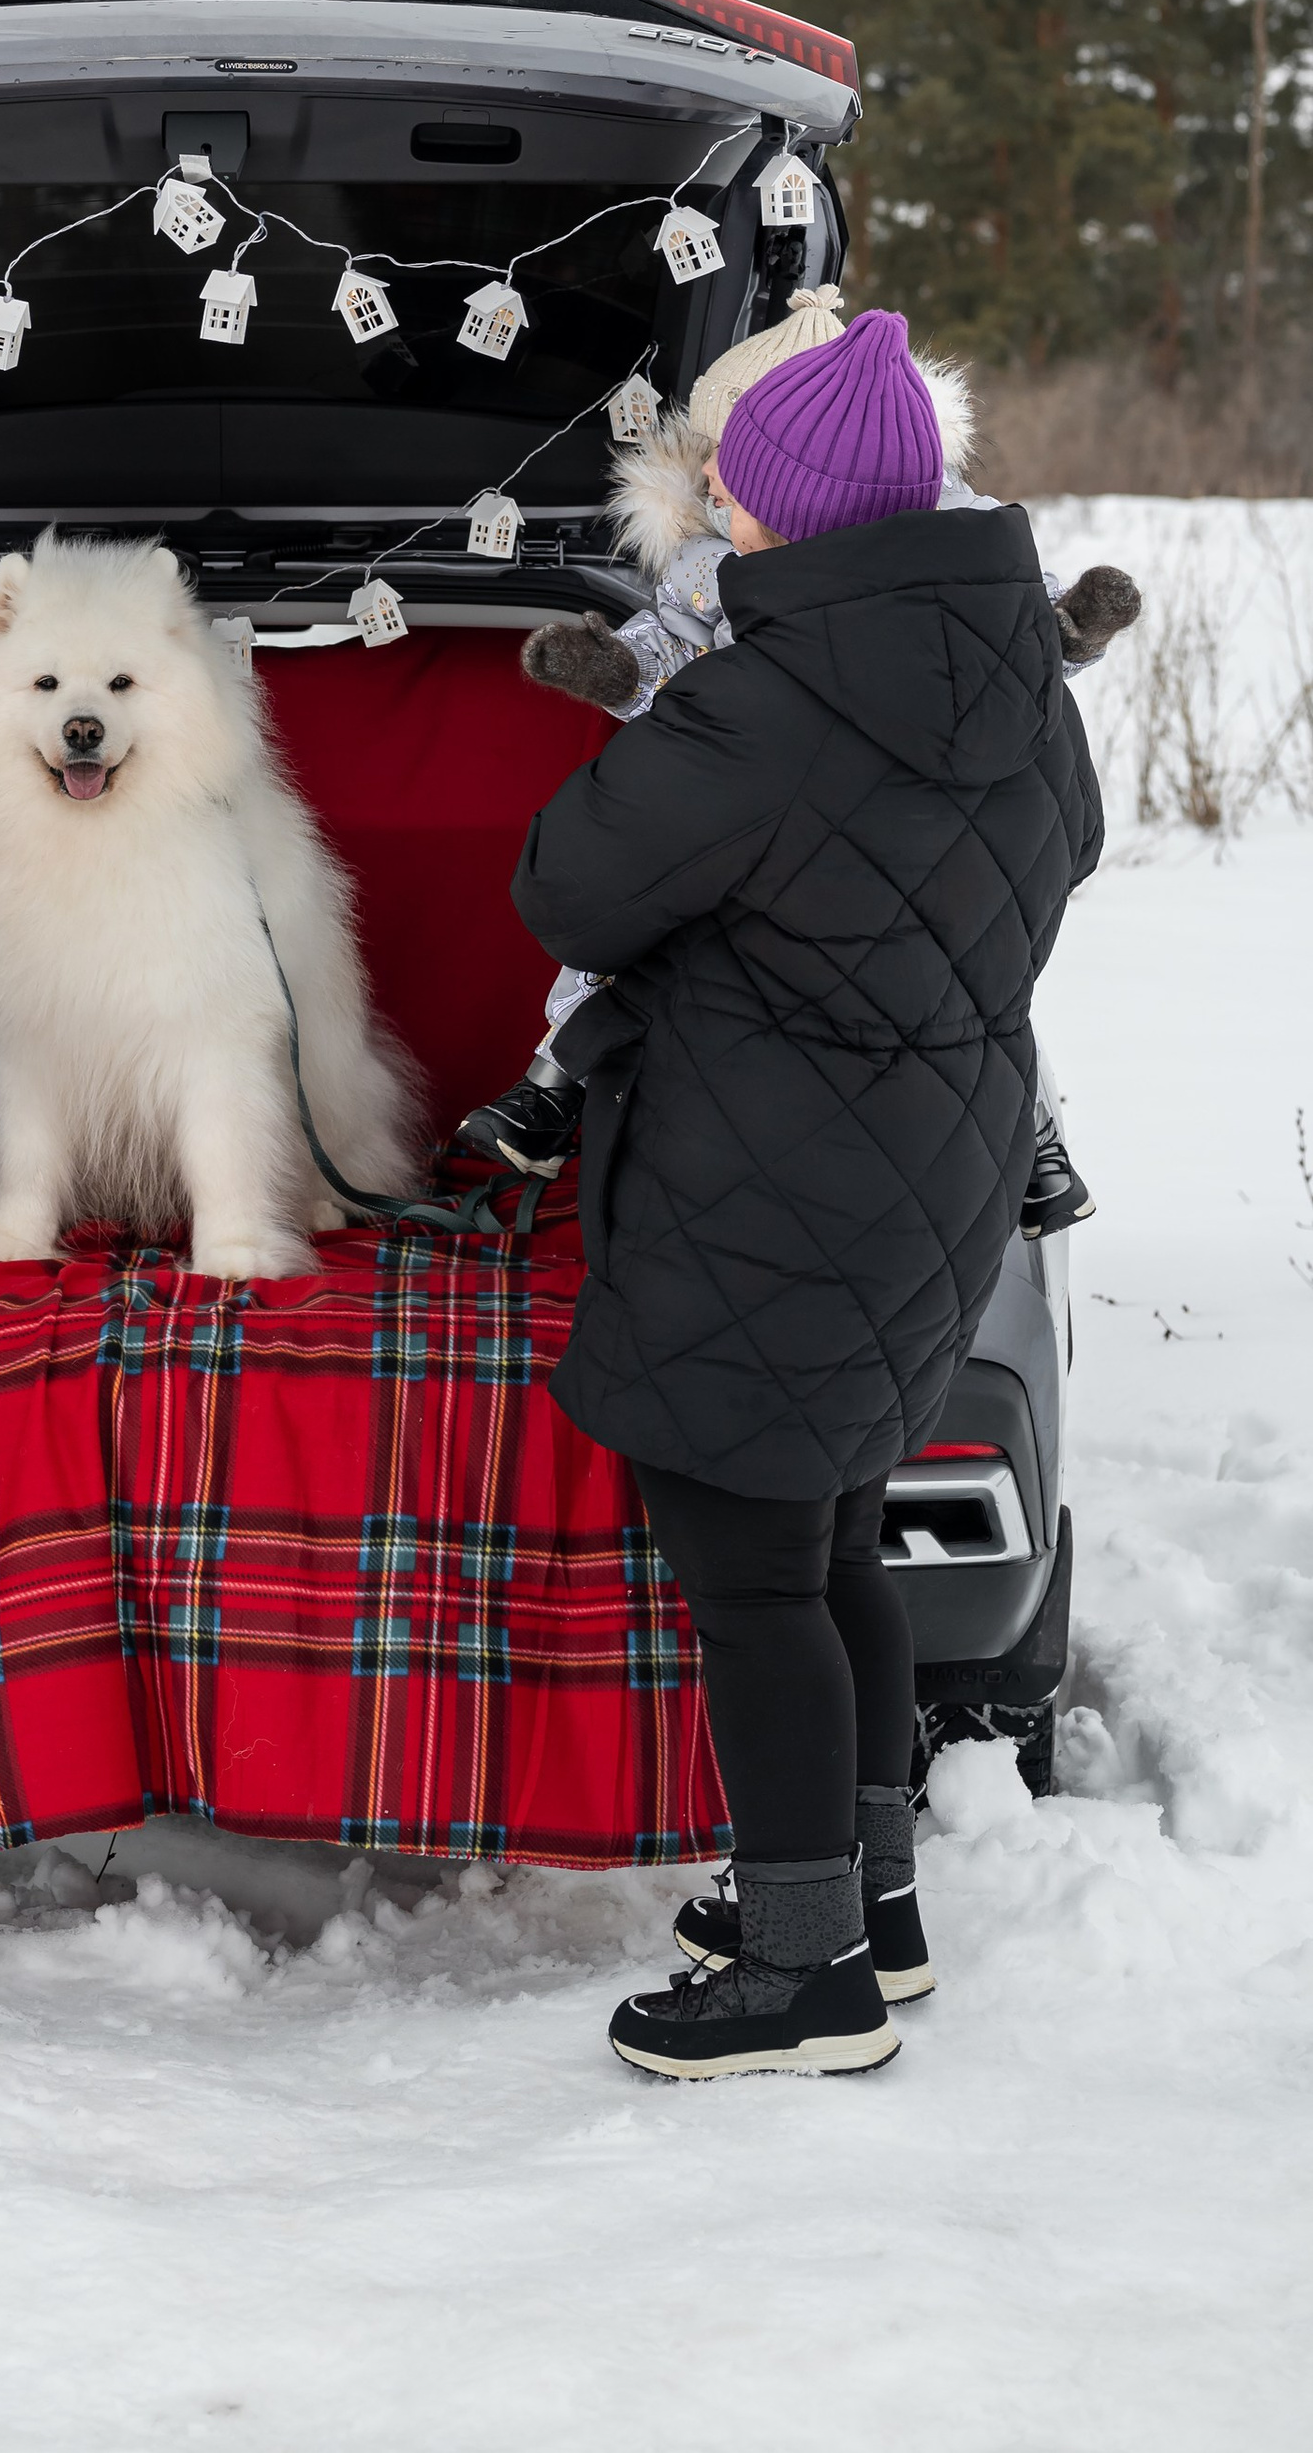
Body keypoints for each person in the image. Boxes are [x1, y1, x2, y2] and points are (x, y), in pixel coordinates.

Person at [512, 309, 1103, 2080]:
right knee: (836, 1528)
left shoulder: (765, 703)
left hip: (770, 1175)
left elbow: (569, 892)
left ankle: (803, 1980)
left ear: (807, 515)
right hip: (937, 1164)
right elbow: (1060, 849)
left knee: (754, 1569)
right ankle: (874, 1906)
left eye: (745, 500)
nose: (726, 526)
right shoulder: (1011, 670)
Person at [464, 285, 1134, 1240]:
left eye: (732, 468)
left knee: (967, 989)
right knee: (971, 987)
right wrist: (621, 671)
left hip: (763, 1157)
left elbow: (571, 885)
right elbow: (1074, 832)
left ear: (795, 480)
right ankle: (554, 1085)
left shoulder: (765, 697)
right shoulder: (733, 577)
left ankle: (1036, 1146)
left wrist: (1066, 632)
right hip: (905, 1186)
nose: (713, 487)